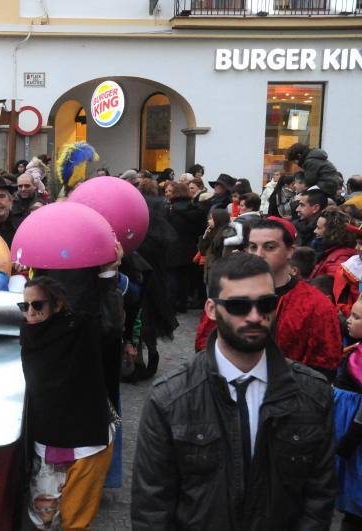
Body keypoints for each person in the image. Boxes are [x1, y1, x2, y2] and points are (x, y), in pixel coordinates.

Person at [132, 252, 336, 530]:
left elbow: (318, 496)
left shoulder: (313, 393)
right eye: (239, 305)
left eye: (265, 303)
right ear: (212, 309)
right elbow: (152, 507)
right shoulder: (170, 399)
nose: (254, 316)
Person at [20, 277, 115, 530]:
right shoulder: (27, 335)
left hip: (87, 445)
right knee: (44, 521)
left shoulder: (83, 329)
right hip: (48, 444)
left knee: (76, 522)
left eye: (37, 305)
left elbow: (111, 325)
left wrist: (108, 275)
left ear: (57, 305)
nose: (30, 312)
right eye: (24, 305)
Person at [197, 218, 343, 377]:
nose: (258, 254)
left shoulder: (316, 304)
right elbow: (204, 344)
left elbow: (325, 364)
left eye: (269, 247)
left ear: (290, 251)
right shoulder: (228, 293)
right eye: (253, 247)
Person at [335, 299, 362, 529]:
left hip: (354, 427)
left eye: (357, 317)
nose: (349, 321)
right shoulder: (356, 347)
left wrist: (351, 437)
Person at [164, 182, 202, 313]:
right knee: (185, 277)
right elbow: (200, 229)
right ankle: (182, 303)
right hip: (189, 246)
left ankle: (170, 304)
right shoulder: (195, 209)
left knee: (172, 277)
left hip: (172, 247)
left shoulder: (170, 209)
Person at [310, 206, 355, 279]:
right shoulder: (325, 252)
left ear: (332, 232)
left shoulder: (339, 260)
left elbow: (328, 288)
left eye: (318, 228)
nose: (315, 231)